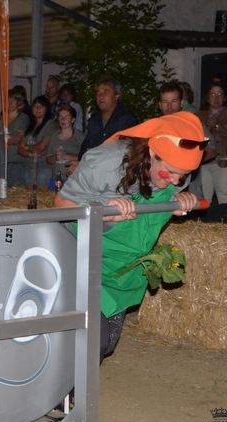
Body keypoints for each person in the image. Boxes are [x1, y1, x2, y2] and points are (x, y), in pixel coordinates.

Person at [53, 112, 203, 360]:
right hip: (79, 255)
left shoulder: (175, 175)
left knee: (107, 343)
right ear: (152, 153)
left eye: (184, 175)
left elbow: (165, 196)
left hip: (118, 266)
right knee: (94, 341)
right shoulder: (105, 162)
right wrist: (103, 209)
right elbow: (61, 205)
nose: (176, 180)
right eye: (170, 172)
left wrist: (178, 200)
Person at [195, 83, 227, 204]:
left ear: (224, 97)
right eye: (213, 94)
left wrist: (217, 126)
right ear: (207, 98)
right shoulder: (200, 115)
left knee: (225, 196)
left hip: (224, 162)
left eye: (219, 94)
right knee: (204, 198)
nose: (216, 97)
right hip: (204, 162)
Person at [78, 78, 137, 159]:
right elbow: (85, 148)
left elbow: (132, 150)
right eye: (98, 93)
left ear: (117, 95)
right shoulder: (93, 120)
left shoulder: (126, 118)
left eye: (106, 92)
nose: (101, 96)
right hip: (91, 163)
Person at [45, 104, 85, 191]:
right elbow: (48, 159)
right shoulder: (54, 136)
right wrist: (55, 157)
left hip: (72, 179)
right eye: (60, 116)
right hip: (56, 178)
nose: (63, 119)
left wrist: (67, 156)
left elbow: (87, 157)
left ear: (73, 119)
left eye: (66, 116)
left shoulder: (79, 137)